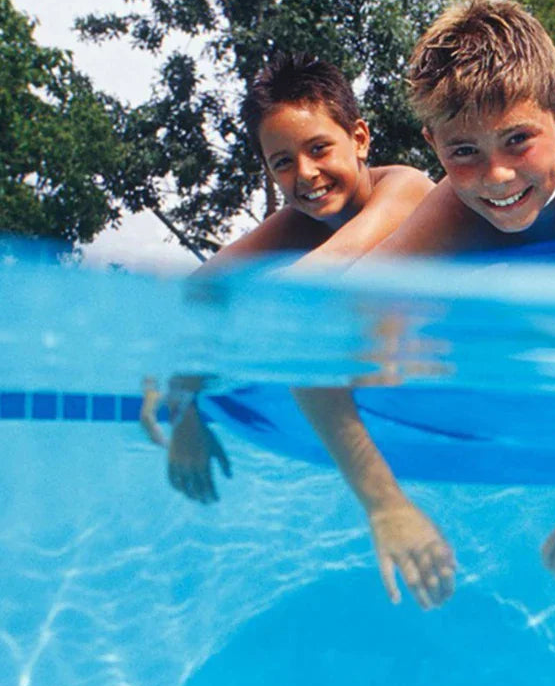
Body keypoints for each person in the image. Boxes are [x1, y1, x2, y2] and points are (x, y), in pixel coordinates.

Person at [362, 0, 555, 581]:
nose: (497, 174)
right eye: (464, 152)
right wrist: (386, 504)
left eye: (517, 139)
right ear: (434, 144)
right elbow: (336, 321)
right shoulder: (455, 205)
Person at [142, 52, 456, 610]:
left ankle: (387, 504)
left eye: (318, 148)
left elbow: (312, 282)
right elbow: (196, 294)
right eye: (282, 162)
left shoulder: (404, 188)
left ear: (359, 138)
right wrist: (182, 406)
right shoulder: (296, 224)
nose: (304, 175)